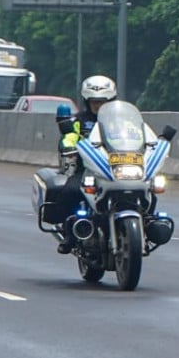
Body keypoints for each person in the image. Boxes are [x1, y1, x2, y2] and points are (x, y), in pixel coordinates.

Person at [51, 75, 118, 253]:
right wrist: (67, 145)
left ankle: (147, 223)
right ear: (87, 102)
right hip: (88, 170)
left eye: (102, 102)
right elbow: (69, 137)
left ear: (111, 101)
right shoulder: (79, 121)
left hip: (117, 169)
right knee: (70, 191)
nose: (98, 106)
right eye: (94, 102)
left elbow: (136, 135)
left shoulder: (120, 121)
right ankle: (70, 233)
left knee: (149, 187)